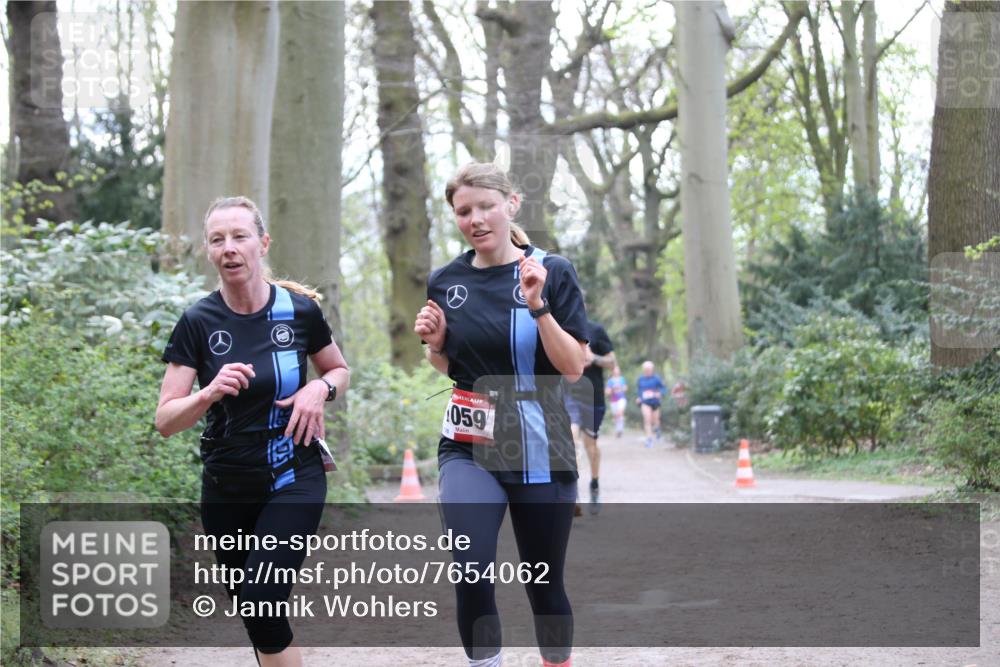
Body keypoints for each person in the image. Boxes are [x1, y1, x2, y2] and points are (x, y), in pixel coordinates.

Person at [156, 196, 350, 667]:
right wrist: (207, 395)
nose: (229, 248)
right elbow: (165, 420)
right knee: (254, 609)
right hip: (227, 483)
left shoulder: (298, 312)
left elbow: (339, 369)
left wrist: (317, 390)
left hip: (293, 473)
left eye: (240, 236)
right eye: (218, 239)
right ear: (208, 251)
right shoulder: (198, 322)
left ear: (262, 243)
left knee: (263, 593)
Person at [414, 162, 588, 667]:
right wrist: (436, 342)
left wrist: (538, 306)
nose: (476, 219)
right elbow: (450, 366)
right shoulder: (445, 280)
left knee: (544, 582)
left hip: (542, 447)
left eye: (486, 206)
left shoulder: (552, 270)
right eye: (463, 211)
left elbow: (573, 367)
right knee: (470, 568)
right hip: (469, 443)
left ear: (511, 204)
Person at [563, 317, 616, 515]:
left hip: (593, 397)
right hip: (568, 395)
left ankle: (594, 485)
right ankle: (572, 494)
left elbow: (612, 362)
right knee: (571, 437)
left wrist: (594, 359)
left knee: (590, 446)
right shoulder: (560, 329)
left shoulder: (596, 330)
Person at [635, 361, 667, 448]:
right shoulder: (640, 379)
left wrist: (659, 393)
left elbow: (663, 388)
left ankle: (657, 429)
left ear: (652, 370)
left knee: (655, 421)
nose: (647, 371)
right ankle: (649, 439)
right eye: (646, 369)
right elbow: (639, 390)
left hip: (655, 402)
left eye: (649, 369)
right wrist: (638, 397)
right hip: (645, 402)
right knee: (647, 419)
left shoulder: (656, 378)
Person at [605, 365, 628, 438]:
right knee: (617, 416)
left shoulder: (622, 379)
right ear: (612, 371)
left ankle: (619, 429)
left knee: (619, 412)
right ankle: (619, 430)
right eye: (615, 370)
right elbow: (607, 392)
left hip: (622, 399)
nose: (616, 371)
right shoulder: (610, 381)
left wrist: (621, 388)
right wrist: (612, 390)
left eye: (617, 370)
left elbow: (625, 388)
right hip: (613, 400)